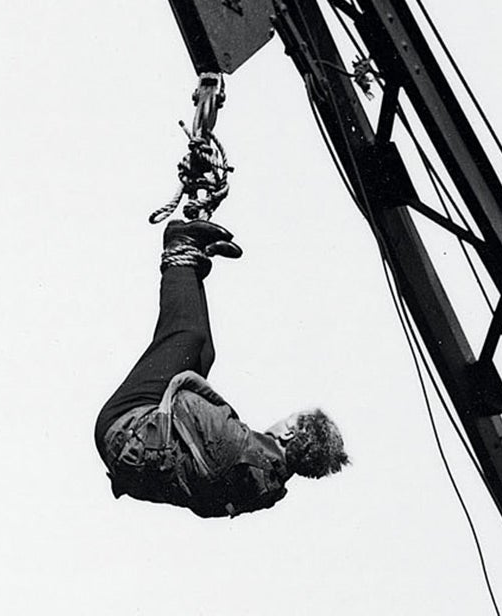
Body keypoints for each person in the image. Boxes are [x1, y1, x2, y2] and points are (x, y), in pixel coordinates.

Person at [94, 220, 347, 517]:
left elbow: (185, 399)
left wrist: (218, 411)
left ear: (290, 434)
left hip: (123, 425)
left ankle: (180, 245)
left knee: (186, 339)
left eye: (288, 419)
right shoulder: (266, 490)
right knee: (204, 354)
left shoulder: (236, 443)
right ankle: (193, 263)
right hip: (131, 462)